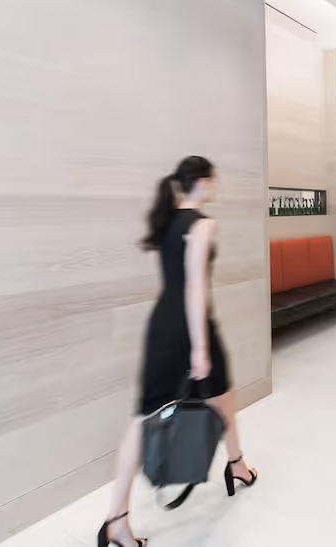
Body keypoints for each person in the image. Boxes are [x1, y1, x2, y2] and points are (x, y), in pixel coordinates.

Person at [98, 156, 257, 547]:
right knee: (223, 397)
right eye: (214, 179)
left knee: (146, 418)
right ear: (202, 182)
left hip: (161, 327)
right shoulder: (202, 225)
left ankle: (116, 519)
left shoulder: (168, 220)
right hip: (191, 328)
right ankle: (236, 466)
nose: (216, 185)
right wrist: (200, 347)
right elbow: (195, 288)